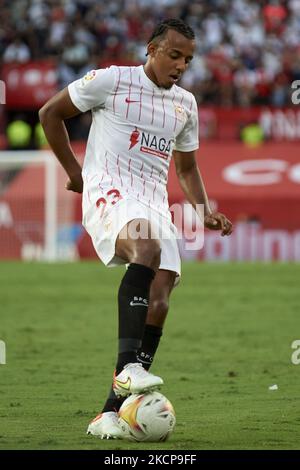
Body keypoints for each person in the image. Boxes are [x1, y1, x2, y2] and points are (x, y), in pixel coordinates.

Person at [39, 18, 233, 440]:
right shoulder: (111, 81)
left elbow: (186, 165)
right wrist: (76, 174)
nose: (181, 65)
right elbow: (49, 113)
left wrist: (203, 210)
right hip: (109, 189)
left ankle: (108, 412)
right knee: (145, 248)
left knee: (160, 298)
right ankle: (129, 369)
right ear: (151, 49)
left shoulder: (185, 103)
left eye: (188, 59)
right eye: (174, 55)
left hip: (153, 203)